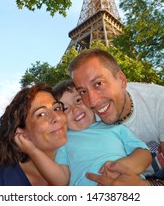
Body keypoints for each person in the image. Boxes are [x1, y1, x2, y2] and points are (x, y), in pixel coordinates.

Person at [15, 79, 152, 186]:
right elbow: (61, 179)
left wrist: (122, 167)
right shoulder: (65, 141)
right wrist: (32, 151)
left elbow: (144, 153)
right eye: (65, 108)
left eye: (78, 100)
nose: (75, 109)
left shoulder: (115, 128)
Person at [68, 48, 164, 185]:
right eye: (83, 91)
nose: (92, 101)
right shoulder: (84, 117)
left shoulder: (159, 102)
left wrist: (146, 187)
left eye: (98, 84)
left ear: (122, 80)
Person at [0, 82, 67, 186]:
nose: (57, 117)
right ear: (22, 134)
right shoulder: (4, 183)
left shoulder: (77, 155)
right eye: (41, 114)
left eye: (57, 108)